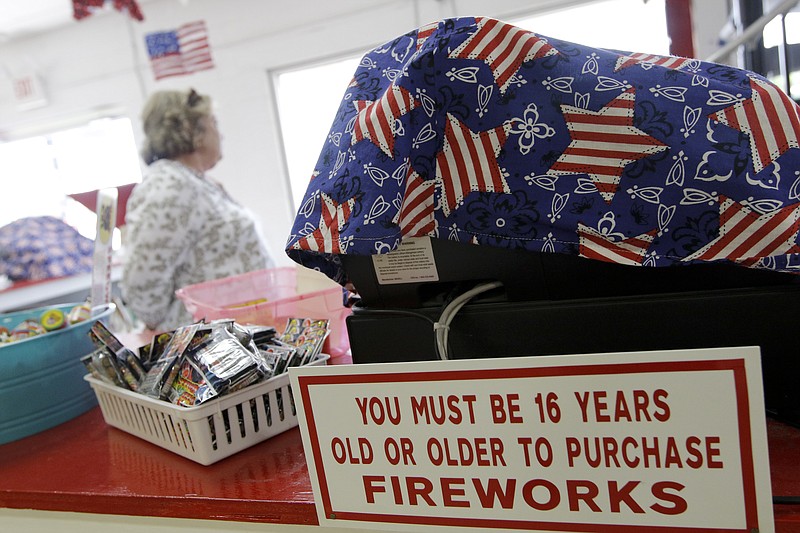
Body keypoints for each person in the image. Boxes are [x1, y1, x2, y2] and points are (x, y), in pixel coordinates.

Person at [122, 88, 275, 332]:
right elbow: (142, 284)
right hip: (210, 344)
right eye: (213, 123)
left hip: (237, 336)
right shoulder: (170, 185)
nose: (221, 134)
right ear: (193, 131)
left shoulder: (192, 181)